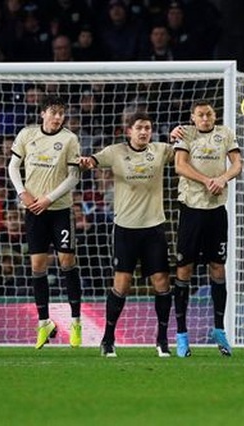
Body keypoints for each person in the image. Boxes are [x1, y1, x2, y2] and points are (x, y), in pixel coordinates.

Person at [79, 112, 174, 358]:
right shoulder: (116, 151)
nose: (144, 132)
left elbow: (182, 153)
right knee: (121, 284)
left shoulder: (161, 149)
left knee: (162, 283)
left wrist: (179, 137)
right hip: (125, 229)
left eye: (148, 128)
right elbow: (94, 160)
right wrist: (88, 161)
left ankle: (162, 340)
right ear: (129, 131)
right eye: (139, 128)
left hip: (154, 227)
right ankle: (108, 339)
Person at [7, 95, 82, 349]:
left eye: (61, 113)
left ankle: (75, 322)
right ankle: (44, 323)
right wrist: (22, 193)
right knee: (37, 266)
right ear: (43, 114)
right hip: (34, 210)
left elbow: (74, 177)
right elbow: (12, 167)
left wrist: (49, 198)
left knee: (66, 262)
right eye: (53, 112)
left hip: (59, 209)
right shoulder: (27, 135)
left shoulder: (70, 139)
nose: (57, 117)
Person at [169, 100, 242, 357]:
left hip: (216, 212)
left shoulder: (225, 134)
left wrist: (223, 178)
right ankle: (181, 334)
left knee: (218, 267)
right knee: (184, 269)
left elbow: (237, 164)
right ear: (193, 117)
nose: (205, 118)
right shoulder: (185, 134)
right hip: (191, 210)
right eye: (200, 114)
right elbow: (179, 165)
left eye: (209, 114)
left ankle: (220, 330)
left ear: (214, 116)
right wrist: (207, 180)